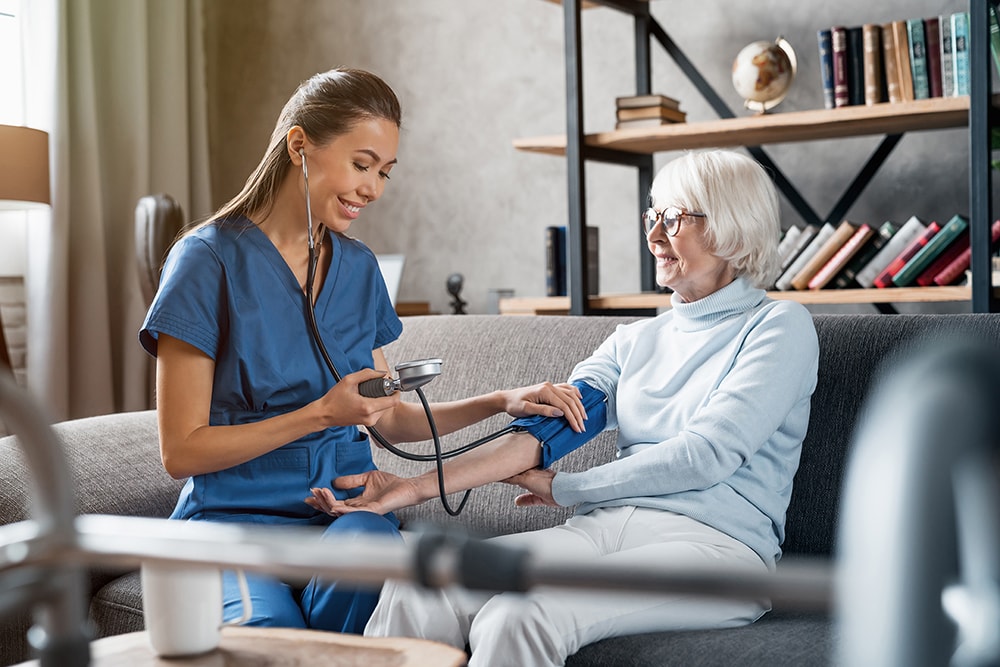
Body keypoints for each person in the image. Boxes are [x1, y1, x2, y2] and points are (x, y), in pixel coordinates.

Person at [307, 149, 820, 665]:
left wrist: (567, 487)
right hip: (602, 530)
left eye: (673, 219)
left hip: (715, 548)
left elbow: (705, 456)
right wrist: (413, 488)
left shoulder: (777, 327)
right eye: (652, 216)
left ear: (732, 227)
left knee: (517, 617)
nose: (653, 235)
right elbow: (539, 437)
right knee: (424, 583)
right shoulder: (633, 341)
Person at [138, 67, 586, 635]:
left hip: (345, 517)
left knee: (370, 549)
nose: (373, 189)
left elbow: (389, 419)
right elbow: (180, 451)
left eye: (384, 172)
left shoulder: (358, 268)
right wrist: (322, 414)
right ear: (299, 146)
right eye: (361, 164)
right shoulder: (206, 260)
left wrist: (499, 401)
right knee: (268, 632)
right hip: (231, 524)